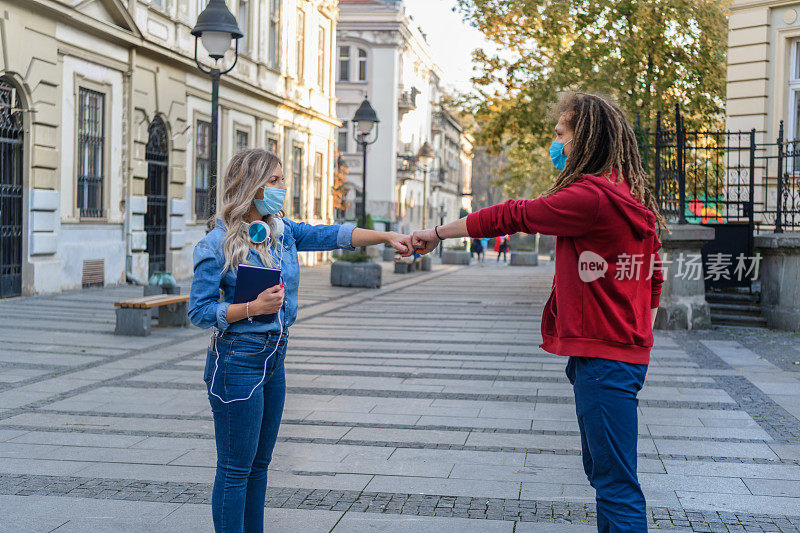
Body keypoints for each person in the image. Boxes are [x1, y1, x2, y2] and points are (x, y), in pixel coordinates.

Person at [410, 91, 668, 533]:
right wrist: (634, 328)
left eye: (560, 134)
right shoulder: (627, 194)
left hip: (606, 360)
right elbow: (654, 275)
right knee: (606, 478)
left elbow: (512, 215)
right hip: (620, 355)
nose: (556, 144)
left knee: (616, 486)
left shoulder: (590, 197)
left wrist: (438, 232)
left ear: (583, 138)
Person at [189, 148, 412, 533]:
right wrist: (251, 307)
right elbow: (199, 310)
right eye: (274, 181)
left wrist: (387, 236)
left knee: (260, 466)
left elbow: (333, 234)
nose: (282, 187)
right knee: (235, 467)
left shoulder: (282, 232)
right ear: (250, 185)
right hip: (237, 362)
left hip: (273, 360)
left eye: (281, 179)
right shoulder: (216, 243)